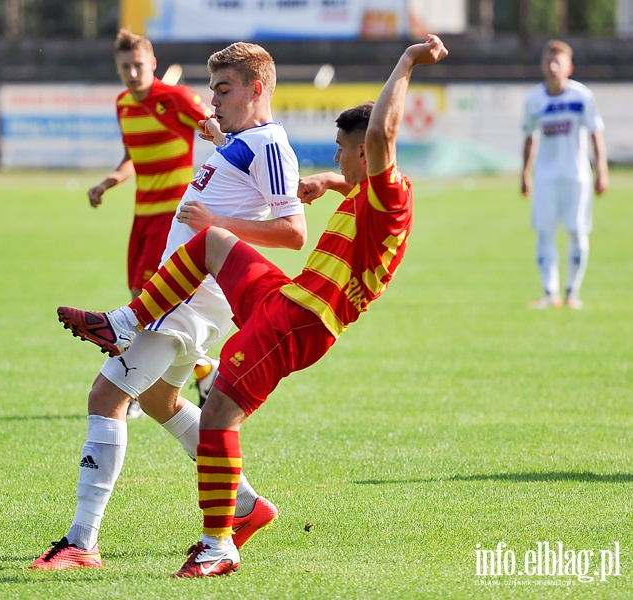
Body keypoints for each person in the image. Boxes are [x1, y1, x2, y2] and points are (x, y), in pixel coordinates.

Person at [58, 35, 449, 577]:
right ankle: (125, 321)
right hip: (286, 298)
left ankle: (213, 545)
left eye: (342, 150)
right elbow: (341, 177)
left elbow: (379, 135)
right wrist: (332, 181)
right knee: (212, 248)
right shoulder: (362, 192)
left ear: (367, 153)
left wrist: (406, 62)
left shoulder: (389, 193)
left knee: (215, 411)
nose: (335, 156)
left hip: (302, 321)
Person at [30, 41, 309, 571]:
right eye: (211, 88)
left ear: (258, 89)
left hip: (188, 300)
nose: (213, 98)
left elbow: (293, 232)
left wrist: (217, 226)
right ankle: (246, 506)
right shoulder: (245, 141)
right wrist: (219, 140)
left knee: (107, 394)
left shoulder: (271, 144)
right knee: (160, 402)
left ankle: (81, 540)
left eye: (224, 89)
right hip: (186, 295)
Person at [91, 29, 220, 418]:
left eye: (138, 65)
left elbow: (220, 134)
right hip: (142, 216)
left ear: (153, 64)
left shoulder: (178, 99)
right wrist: (109, 182)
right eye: (124, 67)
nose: (132, 73)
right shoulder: (123, 105)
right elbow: (131, 158)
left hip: (175, 217)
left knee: (149, 305)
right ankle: (205, 370)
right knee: (139, 297)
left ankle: (131, 391)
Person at [521, 39, 609, 310]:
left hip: (577, 176)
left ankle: (572, 292)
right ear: (542, 66)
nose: (552, 66)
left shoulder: (582, 97)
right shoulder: (534, 100)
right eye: (548, 61)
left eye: (557, 61)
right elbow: (529, 137)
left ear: (569, 67)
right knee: (544, 233)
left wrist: (601, 169)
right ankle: (550, 293)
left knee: (577, 231)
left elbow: (595, 133)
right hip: (546, 177)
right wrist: (525, 173)